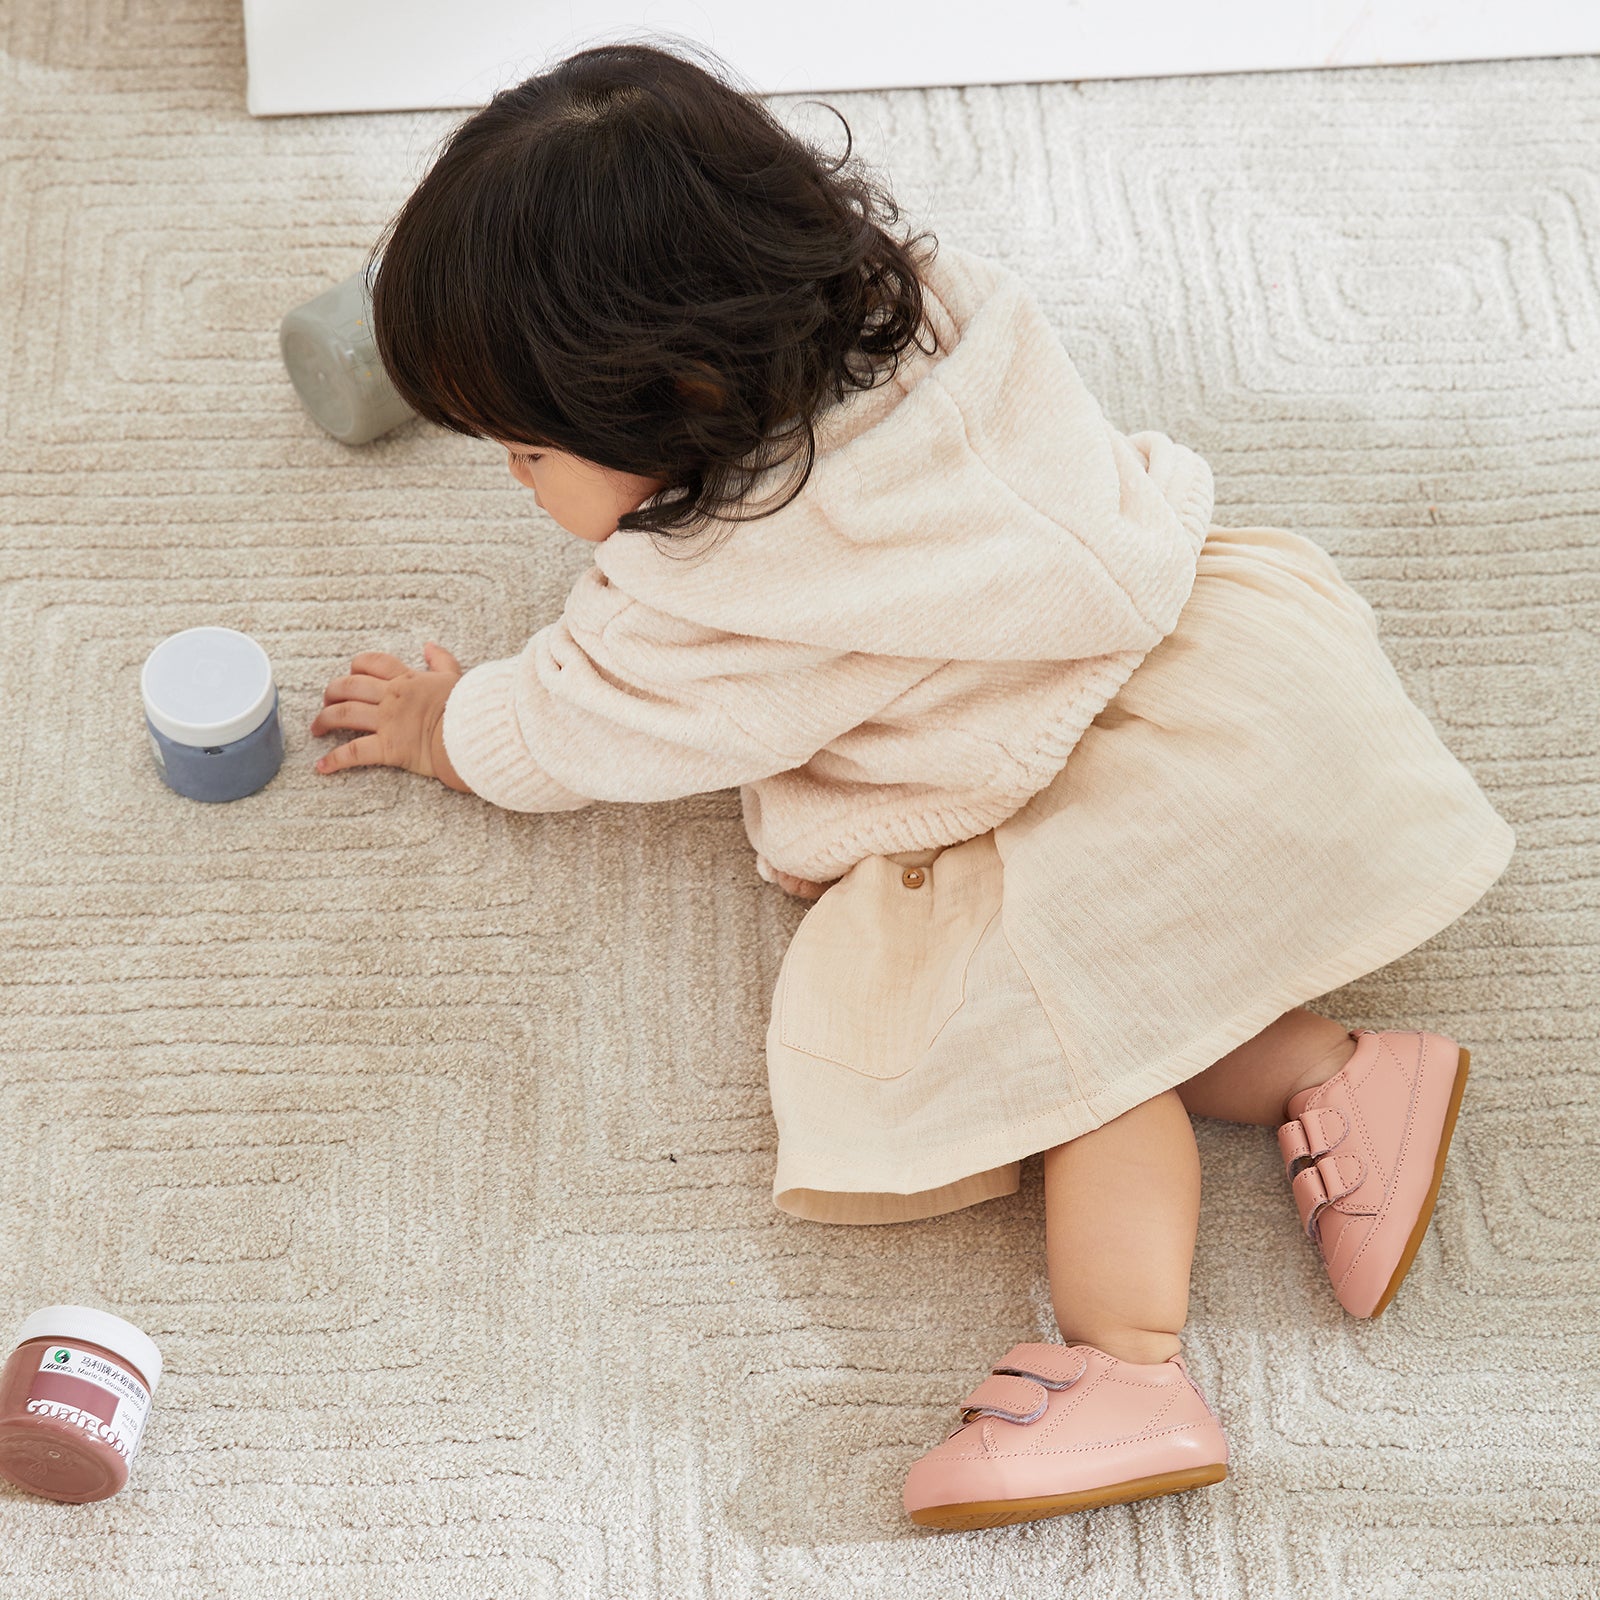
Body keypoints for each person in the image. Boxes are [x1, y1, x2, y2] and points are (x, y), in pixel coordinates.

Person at [309, 40, 1516, 1530]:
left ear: (679, 396)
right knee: (1155, 964)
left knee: (1066, 1040)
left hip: (1027, 782)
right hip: (1229, 681)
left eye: (530, 447)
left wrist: (446, 724)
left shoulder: (716, 590)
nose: (513, 479)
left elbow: (584, 726)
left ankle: (1127, 1364)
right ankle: (1332, 1072)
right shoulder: (937, 300)